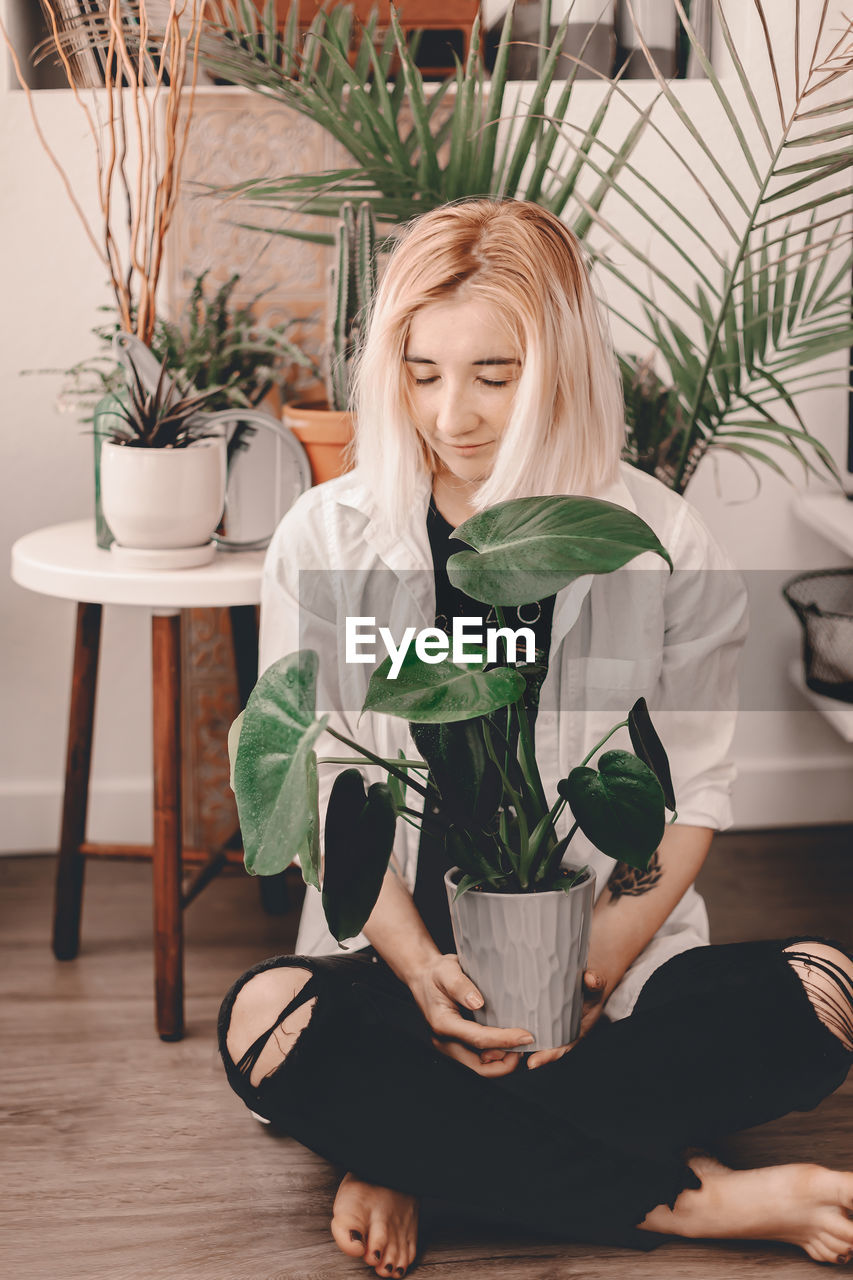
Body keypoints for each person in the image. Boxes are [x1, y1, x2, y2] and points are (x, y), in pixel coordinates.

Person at [219, 199, 853, 1276]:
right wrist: (420, 969)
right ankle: (693, 1203)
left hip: (606, 958)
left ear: (557, 364)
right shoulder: (325, 538)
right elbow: (324, 778)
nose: (451, 413)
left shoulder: (655, 541)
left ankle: (409, 1145)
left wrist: (597, 962)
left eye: (494, 374)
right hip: (403, 973)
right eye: (421, 372)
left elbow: (694, 787)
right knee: (264, 1012)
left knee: (825, 992)